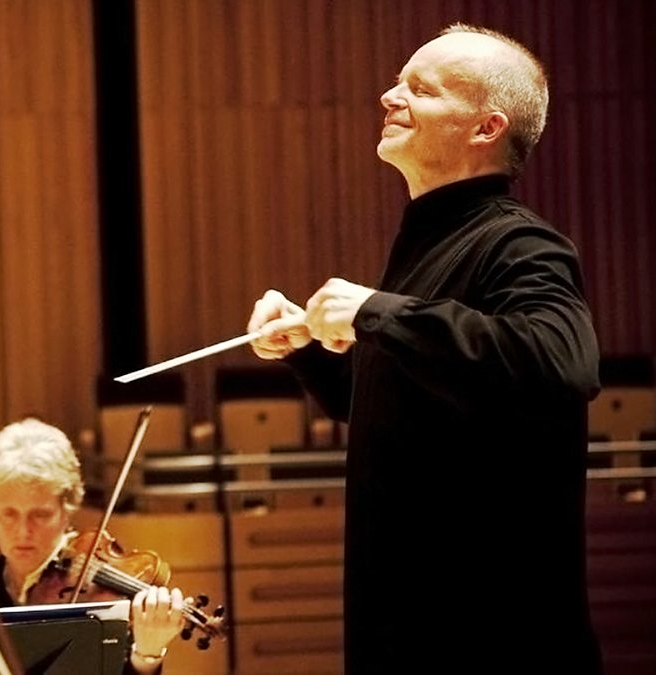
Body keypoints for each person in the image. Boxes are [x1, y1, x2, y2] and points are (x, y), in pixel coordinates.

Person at [246, 24, 601, 674]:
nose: (389, 96)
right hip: (401, 632)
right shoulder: (426, 245)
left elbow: (562, 362)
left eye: (422, 89)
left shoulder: (519, 243)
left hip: (491, 641)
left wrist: (377, 311)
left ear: (486, 127)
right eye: (397, 82)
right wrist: (307, 348)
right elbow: (393, 403)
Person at [0, 418, 186, 674]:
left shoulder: (104, 602)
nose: (23, 531)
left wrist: (147, 655)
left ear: (68, 508)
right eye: (9, 514)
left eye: (40, 515)